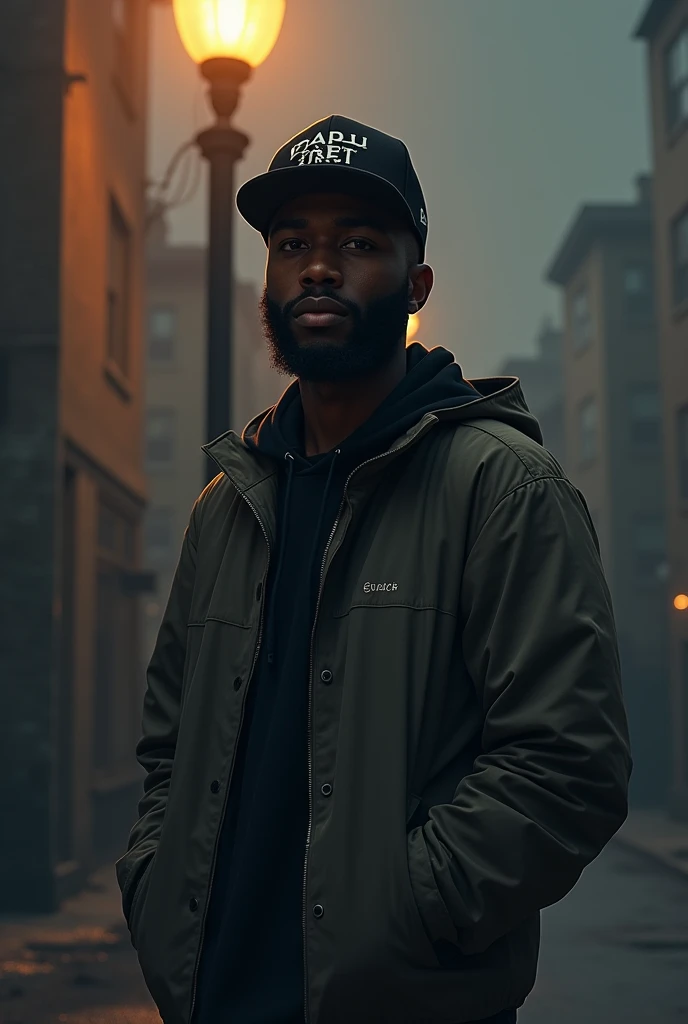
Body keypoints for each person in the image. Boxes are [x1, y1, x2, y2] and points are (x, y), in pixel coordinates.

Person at [116, 115, 632, 1024]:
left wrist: (409, 910)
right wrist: (156, 890)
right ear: (270, 280)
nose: (320, 266)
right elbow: (167, 743)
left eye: (358, 242)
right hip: (211, 998)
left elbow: (567, 764)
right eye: (292, 244)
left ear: (416, 283)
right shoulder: (226, 507)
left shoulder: (503, 488)